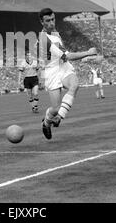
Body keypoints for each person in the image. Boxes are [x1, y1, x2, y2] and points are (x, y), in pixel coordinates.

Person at [37, 8, 98, 140]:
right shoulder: (44, 39)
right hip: (51, 71)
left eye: (53, 19)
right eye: (48, 21)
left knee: (75, 85)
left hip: (63, 66)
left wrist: (84, 57)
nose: (52, 23)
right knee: (55, 108)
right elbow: (68, 55)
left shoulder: (55, 33)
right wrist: (87, 52)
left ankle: (59, 118)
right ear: (42, 22)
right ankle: (46, 122)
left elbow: (64, 57)